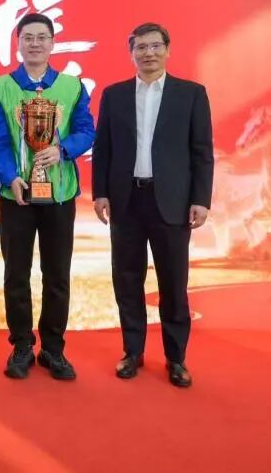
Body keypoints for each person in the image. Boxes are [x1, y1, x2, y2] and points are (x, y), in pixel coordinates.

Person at [92, 22, 214, 388]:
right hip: (126, 200)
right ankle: (132, 352)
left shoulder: (191, 94)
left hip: (172, 202)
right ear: (131, 53)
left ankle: (176, 358)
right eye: (141, 47)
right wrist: (100, 192)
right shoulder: (114, 95)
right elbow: (103, 149)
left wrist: (200, 199)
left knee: (173, 284)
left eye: (155, 46)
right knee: (127, 279)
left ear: (167, 50)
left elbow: (202, 151)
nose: (149, 53)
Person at [0, 13, 95, 380]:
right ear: (18, 43)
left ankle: (53, 349)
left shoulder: (72, 87)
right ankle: (21, 347)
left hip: (60, 195)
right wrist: (10, 177)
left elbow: (86, 130)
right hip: (16, 195)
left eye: (41, 37)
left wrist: (62, 150)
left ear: (52, 43)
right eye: (28, 37)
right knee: (16, 274)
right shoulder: (0, 87)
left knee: (57, 274)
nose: (35, 44)